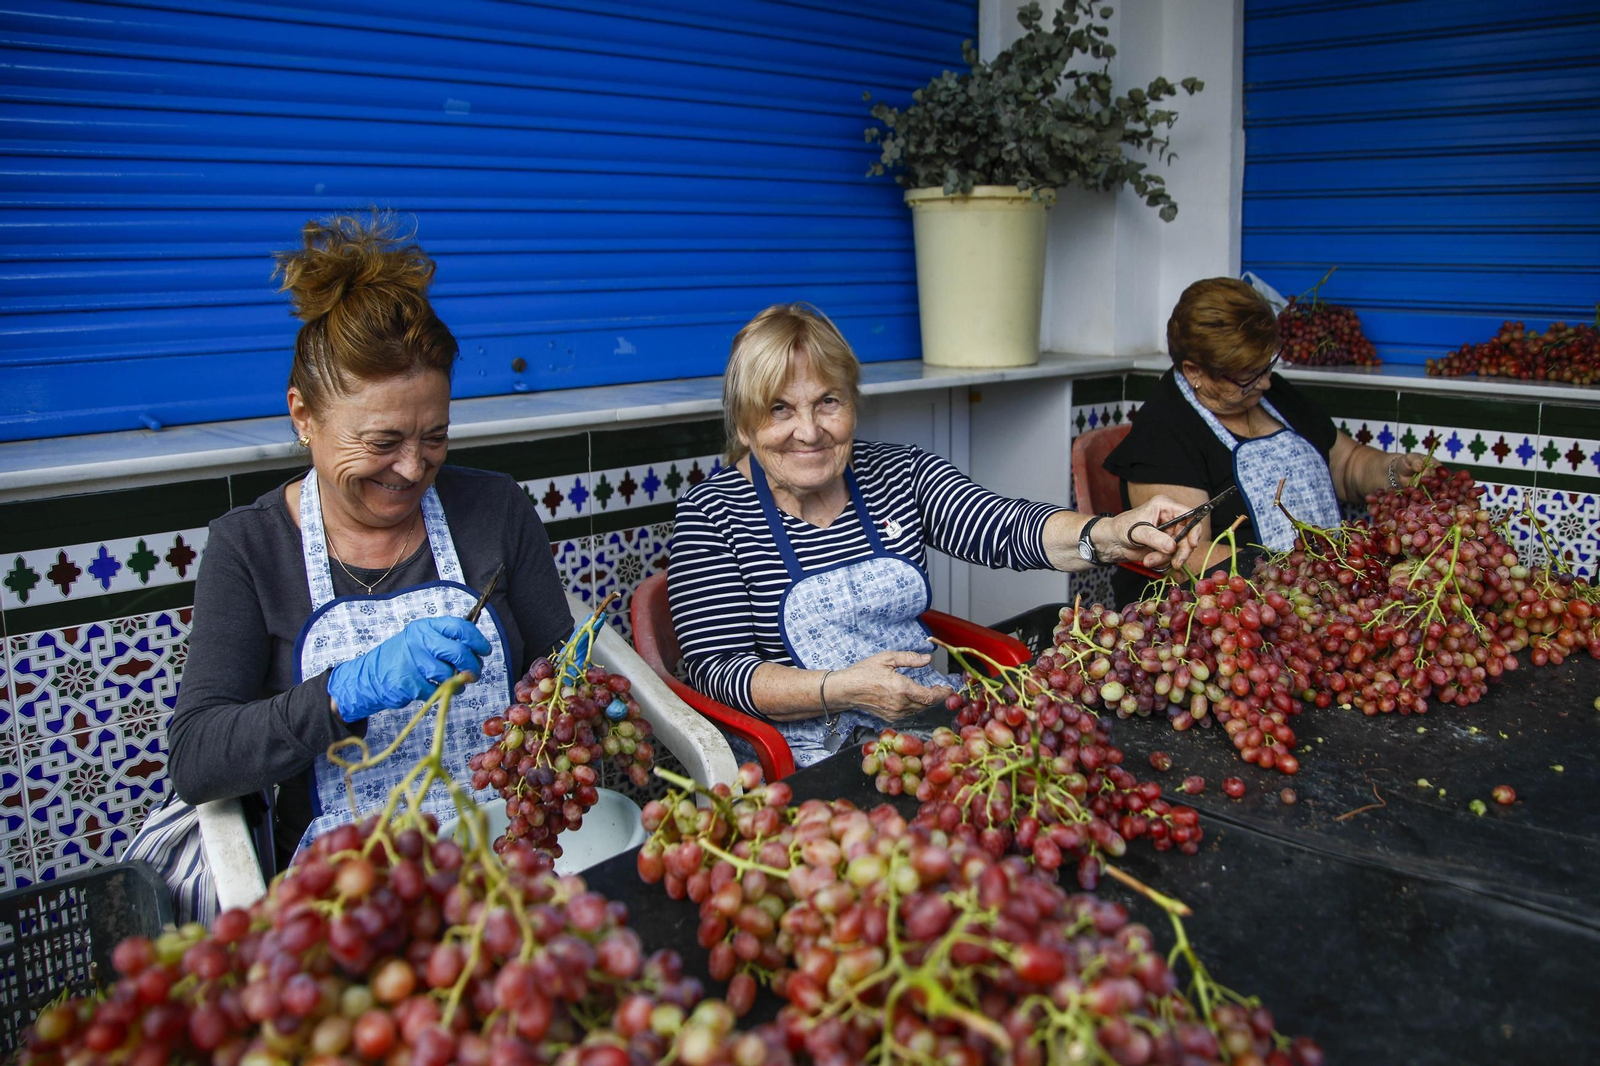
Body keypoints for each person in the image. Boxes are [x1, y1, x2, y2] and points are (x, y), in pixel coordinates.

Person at [135, 214, 572, 916]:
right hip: (346, 902)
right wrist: (344, 692)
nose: (412, 467)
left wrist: (574, 700)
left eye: (435, 437)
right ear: (303, 416)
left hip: (502, 870)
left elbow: (561, 659)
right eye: (382, 441)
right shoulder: (248, 548)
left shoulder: (495, 510)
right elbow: (198, 758)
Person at [668, 303, 1202, 769]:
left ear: (853, 403)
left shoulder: (898, 475)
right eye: (778, 409)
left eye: (828, 401)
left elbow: (1005, 526)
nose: (808, 431)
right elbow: (719, 673)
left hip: (921, 721)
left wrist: (1109, 533)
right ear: (742, 423)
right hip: (797, 752)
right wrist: (844, 690)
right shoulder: (711, 514)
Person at [1103, 277, 1430, 605]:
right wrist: (1294, 577)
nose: (1265, 382)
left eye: (1267, 366)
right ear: (1194, 372)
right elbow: (1184, 557)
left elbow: (1347, 465)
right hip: (1234, 607)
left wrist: (1394, 472)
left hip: (1321, 593)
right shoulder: (1163, 433)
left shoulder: (1275, 394)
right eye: (1248, 375)